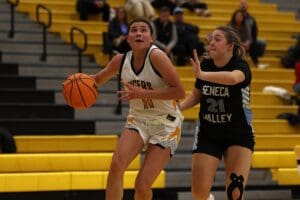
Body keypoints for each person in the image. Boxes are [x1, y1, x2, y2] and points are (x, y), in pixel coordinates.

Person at [90, 18, 185, 200]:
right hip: (138, 119)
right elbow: (96, 79)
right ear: (128, 38)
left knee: (141, 186)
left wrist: (143, 93)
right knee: (116, 165)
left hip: (166, 124)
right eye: (133, 30)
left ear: (151, 38)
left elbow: (179, 91)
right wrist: (76, 81)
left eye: (143, 30)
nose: (138, 33)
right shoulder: (120, 60)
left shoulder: (157, 56)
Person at [179, 26, 254, 200]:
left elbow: (233, 79)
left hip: (238, 133)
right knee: (199, 193)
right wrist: (178, 109)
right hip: (208, 132)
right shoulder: (205, 65)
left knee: (235, 192)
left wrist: (202, 74)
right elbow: (196, 94)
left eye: (217, 39)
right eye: (211, 39)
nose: (211, 42)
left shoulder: (241, 66)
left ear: (231, 46)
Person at [239, 0, 267, 69]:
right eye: (242, 4)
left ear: (247, 5)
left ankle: (256, 63)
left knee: (262, 43)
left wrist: (250, 42)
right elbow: (232, 31)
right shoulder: (235, 17)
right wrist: (241, 43)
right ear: (239, 5)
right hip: (238, 41)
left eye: (245, 4)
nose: (243, 5)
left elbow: (255, 32)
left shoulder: (251, 19)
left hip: (249, 41)